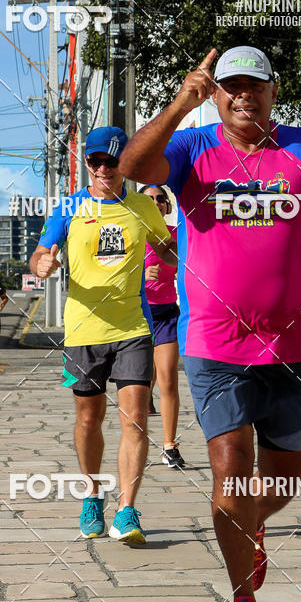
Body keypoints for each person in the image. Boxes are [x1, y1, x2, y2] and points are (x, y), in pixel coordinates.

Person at [119, 45, 301, 602]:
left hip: (296, 346)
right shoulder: (191, 150)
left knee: (284, 481)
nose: (243, 96)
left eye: (254, 85)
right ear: (217, 94)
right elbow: (132, 165)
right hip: (215, 345)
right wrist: (182, 101)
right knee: (230, 475)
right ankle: (243, 601)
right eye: (230, 86)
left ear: (273, 91)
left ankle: (248, 533)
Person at [29, 126, 177, 545]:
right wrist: (42, 264)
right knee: (88, 418)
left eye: (113, 161)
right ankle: (92, 496)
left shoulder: (143, 208)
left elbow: (166, 247)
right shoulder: (68, 208)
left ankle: (127, 510)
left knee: (134, 419)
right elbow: (41, 252)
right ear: (87, 164)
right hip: (82, 330)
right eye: (97, 161)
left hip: (134, 326)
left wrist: (181, 251)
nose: (104, 169)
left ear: (126, 164)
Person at [139, 184, 185, 469]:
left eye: (161, 199)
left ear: (167, 207)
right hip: (136, 316)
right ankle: (137, 441)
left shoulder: (177, 237)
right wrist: (141, 274)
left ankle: (170, 445)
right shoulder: (129, 237)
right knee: (140, 384)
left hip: (167, 314)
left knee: (168, 378)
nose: (156, 203)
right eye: (150, 199)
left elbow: (195, 262)